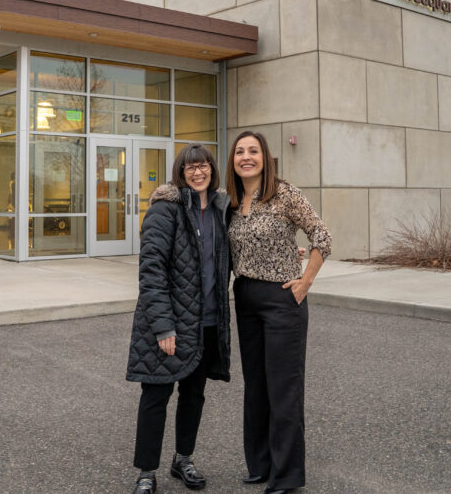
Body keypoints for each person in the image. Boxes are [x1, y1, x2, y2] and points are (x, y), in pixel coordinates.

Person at [227, 131, 332, 494]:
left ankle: (286, 476)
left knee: (283, 389)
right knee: (256, 387)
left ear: (265, 157)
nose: (246, 157)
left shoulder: (285, 194)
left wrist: (305, 282)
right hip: (245, 298)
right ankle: (260, 465)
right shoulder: (232, 201)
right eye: (240, 152)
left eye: (253, 151)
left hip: (282, 300)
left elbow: (321, 236)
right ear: (233, 160)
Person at [126, 144, 232, 493]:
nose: (198, 172)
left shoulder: (221, 210)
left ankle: (183, 458)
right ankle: (146, 472)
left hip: (207, 322)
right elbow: (151, 271)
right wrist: (163, 327)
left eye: (203, 166)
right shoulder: (164, 210)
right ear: (181, 173)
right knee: (155, 396)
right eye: (190, 167)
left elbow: (238, 254)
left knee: (193, 395)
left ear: (212, 169)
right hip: (168, 323)